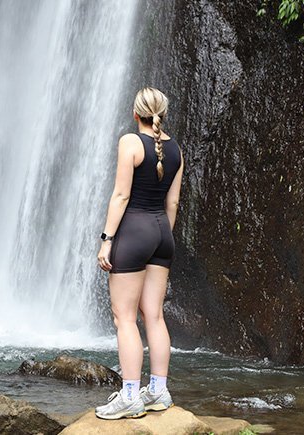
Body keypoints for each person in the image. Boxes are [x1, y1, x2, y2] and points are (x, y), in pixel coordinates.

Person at [94, 87, 184, 420]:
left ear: (136, 114)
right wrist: (162, 236)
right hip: (162, 233)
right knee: (154, 315)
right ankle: (158, 390)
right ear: (163, 113)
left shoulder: (130, 143)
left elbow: (121, 196)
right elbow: (173, 202)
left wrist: (107, 239)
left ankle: (131, 396)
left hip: (134, 232)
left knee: (125, 318)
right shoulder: (176, 150)